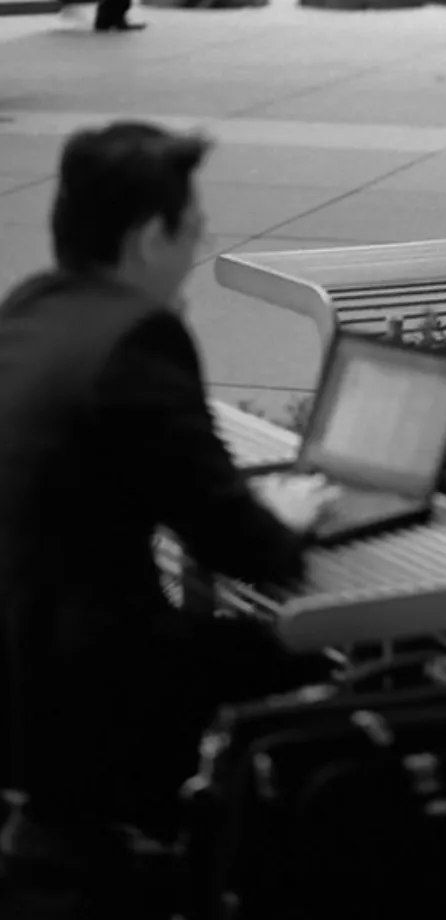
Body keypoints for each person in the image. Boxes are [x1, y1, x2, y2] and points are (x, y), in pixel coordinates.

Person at [0, 122, 339, 914]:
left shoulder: (28, 309)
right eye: (193, 231)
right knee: (302, 661)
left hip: (17, 658)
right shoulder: (138, 338)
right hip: (84, 680)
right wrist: (282, 512)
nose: (197, 246)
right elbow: (242, 547)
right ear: (151, 236)